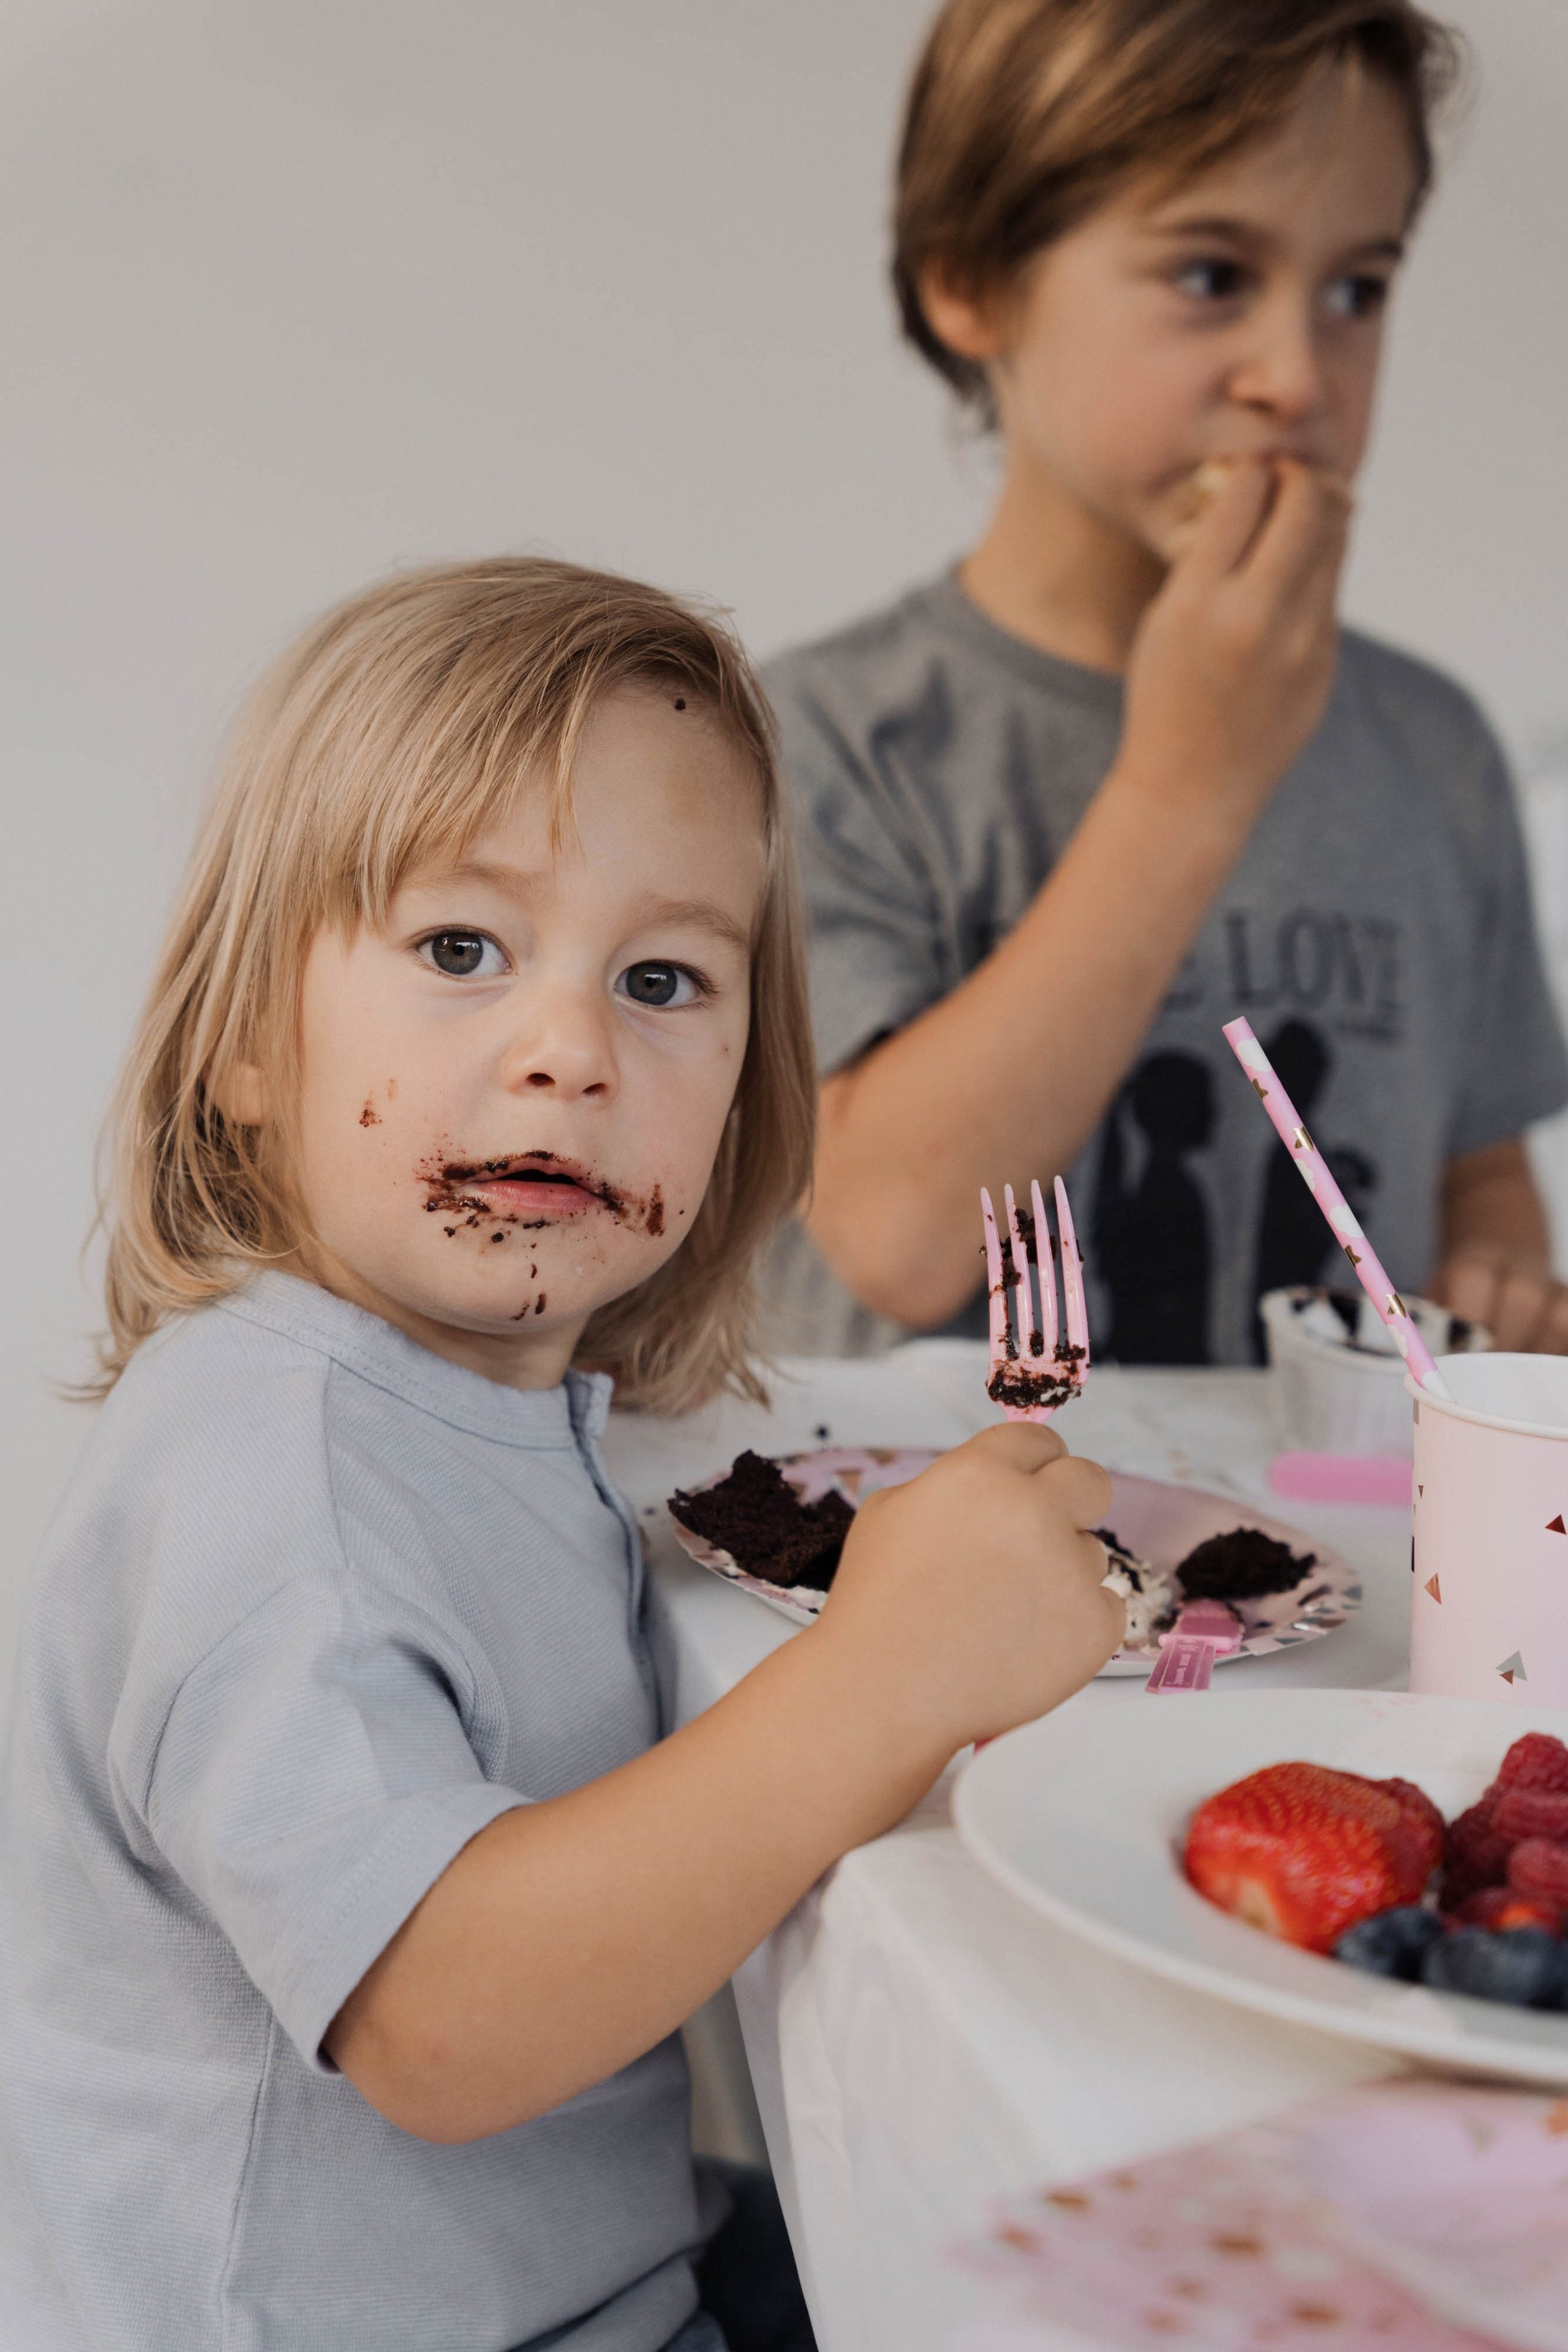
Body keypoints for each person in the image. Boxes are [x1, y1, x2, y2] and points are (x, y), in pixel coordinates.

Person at [0, 559, 1126, 2352]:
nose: (571, 1051)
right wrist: (890, 1675)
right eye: (462, 950)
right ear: (244, 1044)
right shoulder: (268, 1473)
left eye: (662, 978)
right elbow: (442, 2022)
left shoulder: (479, 1404)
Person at [764, 0, 1568, 1363]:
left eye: (1355, 291)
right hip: (940, 1499)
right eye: (1210, 274)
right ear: (973, 282)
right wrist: (1190, 783)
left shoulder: (1435, 749)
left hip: (1322, 1500)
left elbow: (1475, 1170)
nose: (1296, 377)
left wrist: (1506, 1280)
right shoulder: (822, 743)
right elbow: (898, 1238)